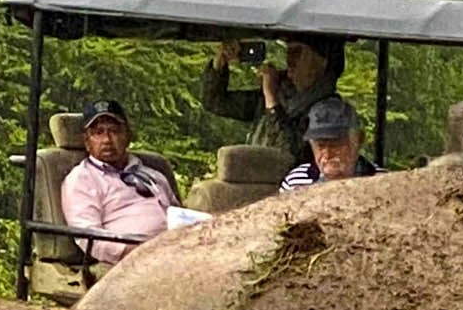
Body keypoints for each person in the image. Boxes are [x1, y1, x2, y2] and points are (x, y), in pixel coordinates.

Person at [58, 98, 178, 268]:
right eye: (98, 132)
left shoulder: (153, 174)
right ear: (87, 141)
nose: (107, 139)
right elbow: (88, 236)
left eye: (114, 131)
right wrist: (136, 251)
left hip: (176, 249)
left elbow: (179, 214)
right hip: (133, 259)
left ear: (128, 136)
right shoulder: (82, 179)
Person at [205, 33, 351, 165]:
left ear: (321, 63)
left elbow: (290, 152)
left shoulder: (330, 112)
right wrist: (220, 62)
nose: (289, 61)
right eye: (288, 52)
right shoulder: (282, 92)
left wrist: (271, 100)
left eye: (296, 53)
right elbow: (215, 101)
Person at [278, 96, 381, 188]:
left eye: (335, 145)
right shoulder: (295, 182)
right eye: (320, 146)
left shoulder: (383, 181)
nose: (327, 154)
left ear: (359, 140)